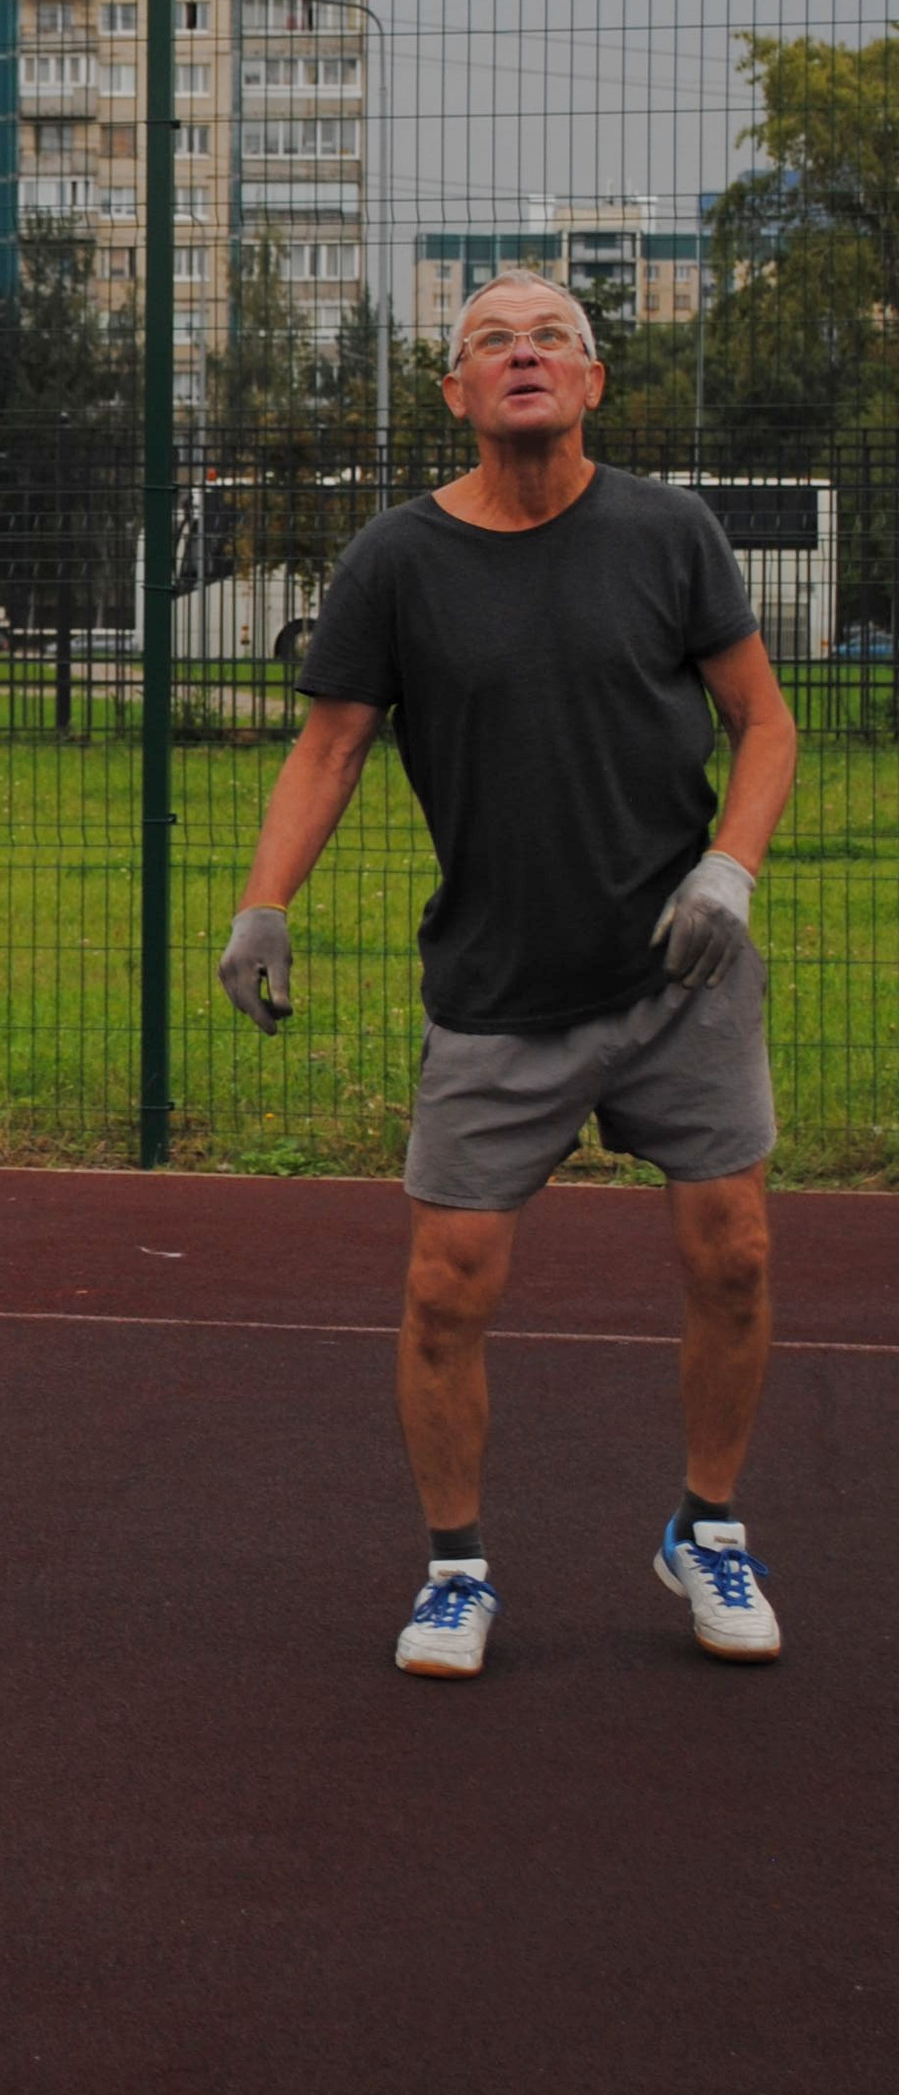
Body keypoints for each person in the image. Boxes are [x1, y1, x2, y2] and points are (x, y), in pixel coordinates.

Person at [215, 272, 799, 1681]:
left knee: (737, 1252)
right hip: (494, 984)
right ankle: (457, 1570)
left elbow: (765, 725)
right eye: (493, 341)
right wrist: (263, 904)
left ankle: (708, 1529)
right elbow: (330, 746)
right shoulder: (399, 561)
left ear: (594, 384)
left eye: (553, 340)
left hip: (681, 971)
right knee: (446, 1289)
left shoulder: (671, 532)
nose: (524, 354)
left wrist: (730, 868)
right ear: (457, 394)